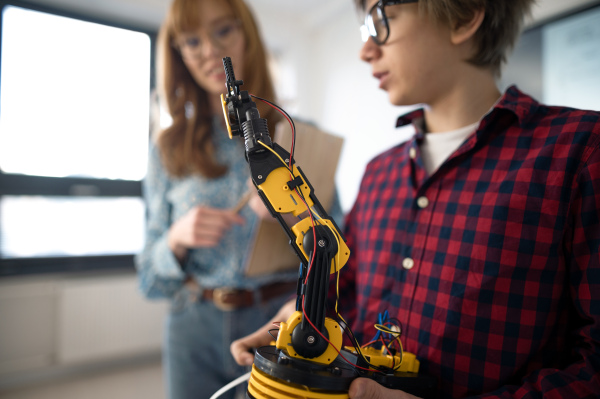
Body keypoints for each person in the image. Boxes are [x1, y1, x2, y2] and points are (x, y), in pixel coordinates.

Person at [231, 0, 600, 398]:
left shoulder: (579, 151)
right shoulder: (379, 172)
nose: (365, 50)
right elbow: (347, 280)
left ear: (464, 16)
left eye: (380, 20)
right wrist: (302, 314)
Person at [134, 0, 309, 398]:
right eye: (192, 41)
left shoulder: (296, 137)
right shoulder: (167, 150)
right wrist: (176, 239)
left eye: (223, 31)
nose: (210, 50)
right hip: (193, 328)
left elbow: (339, 254)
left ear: (247, 35)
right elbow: (149, 280)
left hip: (278, 323)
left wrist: (295, 214)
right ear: (178, 54)